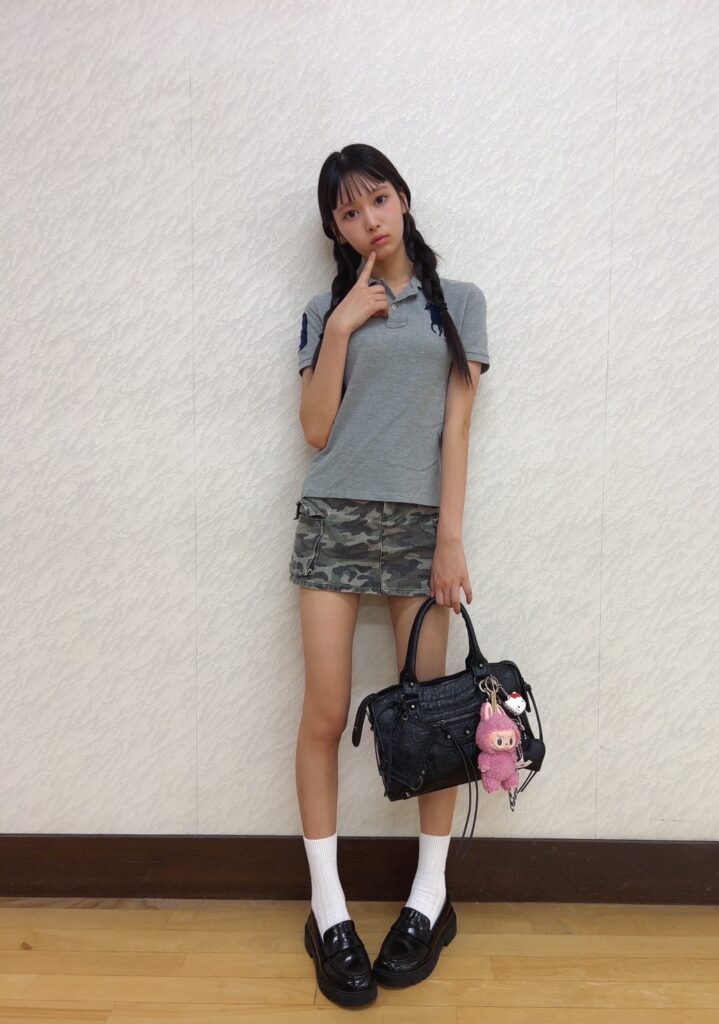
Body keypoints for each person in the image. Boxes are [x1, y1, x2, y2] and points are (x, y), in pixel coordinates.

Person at [291, 144, 490, 1008]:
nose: (367, 219)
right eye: (347, 211)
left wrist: (450, 540)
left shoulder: (459, 303)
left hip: (418, 530)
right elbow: (315, 428)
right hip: (334, 518)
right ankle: (327, 908)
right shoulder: (325, 309)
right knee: (326, 713)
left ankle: (429, 898)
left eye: (376, 199)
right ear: (336, 230)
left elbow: (457, 429)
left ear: (402, 199)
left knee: (431, 717)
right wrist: (342, 326)